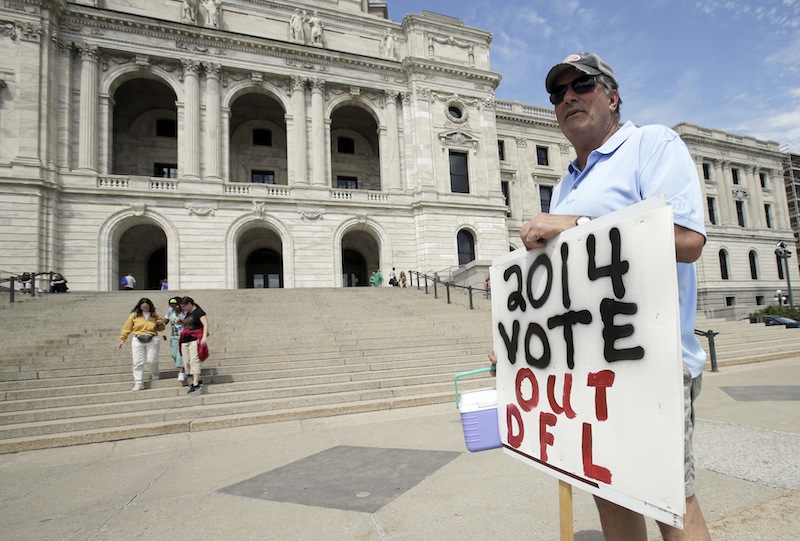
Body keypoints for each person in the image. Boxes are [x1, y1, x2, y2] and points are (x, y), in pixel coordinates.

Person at [512, 52, 709, 541]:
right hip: (590, 371)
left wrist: (576, 225)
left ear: (612, 95)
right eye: (558, 94)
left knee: (669, 502)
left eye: (582, 85)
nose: (568, 98)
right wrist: (518, 338)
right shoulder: (564, 184)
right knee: (609, 490)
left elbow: (688, 242)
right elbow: (564, 283)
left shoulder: (651, 144)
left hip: (651, 362)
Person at [117, 297, 166, 391]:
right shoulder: (134, 315)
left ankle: (155, 373)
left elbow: (161, 329)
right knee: (137, 362)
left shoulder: (154, 315)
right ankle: (138, 382)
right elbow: (127, 328)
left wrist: (160, 323)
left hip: (152, 338)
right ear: (140, 307)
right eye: (143, 307)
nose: (145, 309)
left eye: (147, 307)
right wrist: (122, 339)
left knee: (152, 360)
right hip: (138, 339)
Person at [178, 296, 209, 394]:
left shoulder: (198, 312)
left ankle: (195, 383)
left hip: (195, 339)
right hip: (185, 339)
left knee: (194, 360)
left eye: (184, 306)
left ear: (189, 304)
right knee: (186, 362)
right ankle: (196, 380)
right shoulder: (187, 314)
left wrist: (204, 337)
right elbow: (188, 325)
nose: (183, 309)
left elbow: (205, 324)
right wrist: (181, 323)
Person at [166, 297, 187, 384]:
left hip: (184, 336)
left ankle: (181, 372)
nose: (174, 308)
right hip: (174, 336)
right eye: (172, 306)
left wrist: (183, 321)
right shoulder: (170, 311)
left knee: (180, 354)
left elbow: (191, 321)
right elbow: (166, 319)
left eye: (176, 306)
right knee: (174, 355)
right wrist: (161, 322)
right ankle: (184, 368)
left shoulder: (185, 312)